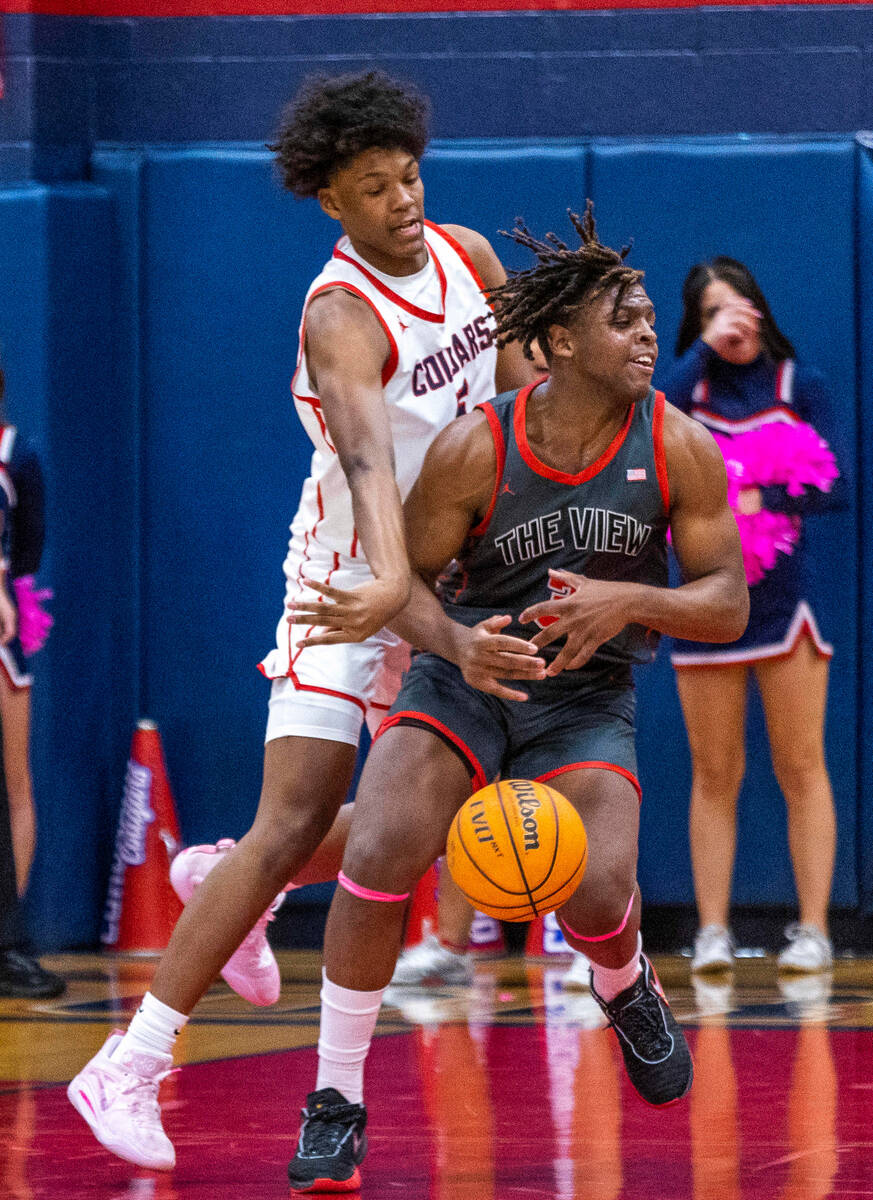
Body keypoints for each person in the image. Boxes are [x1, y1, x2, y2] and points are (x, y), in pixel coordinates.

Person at [67, 68, 536, 1170]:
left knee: (405, 831)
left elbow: (521, 415)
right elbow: (372, 473)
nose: (403, 201)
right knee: (295, 818)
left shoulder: (470, 255)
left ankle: (218, 875)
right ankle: (128, 1062)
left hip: (443, 569)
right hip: (345, 578)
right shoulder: (340, 317)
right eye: (375, 188)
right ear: (332, 200)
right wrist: (426, 618)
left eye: (410, 175)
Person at [282, 206, 749, 1193]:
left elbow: (726, 602)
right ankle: (334, 1097)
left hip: (587, 697)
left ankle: (624, 983)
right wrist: (456, 643)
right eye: (624, 322)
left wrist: (630, 597)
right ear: (559, 343)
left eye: (649, 319)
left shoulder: (680, 447)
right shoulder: (476, 447)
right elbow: (395, 579)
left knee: (597, 881)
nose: (648, 336)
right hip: (468, 680)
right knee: (377, 851)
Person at [664, 257, 846, 976]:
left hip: (784, 604)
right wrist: (701, 350)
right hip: (705, 603)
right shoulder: (690, 388)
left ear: (763, 309)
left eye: (740, 305)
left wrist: (760, 506)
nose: (733, 320)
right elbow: (651, 420)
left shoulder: (801, 384)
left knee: (800, 766)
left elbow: (834, 485)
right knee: (714, 773)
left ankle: (811, 930)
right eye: (714, 311)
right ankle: (710, 933)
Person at [0, 360, 64, 1000]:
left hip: (3, 634)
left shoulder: (17, 454)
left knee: (13, 781)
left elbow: (28, 551)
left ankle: (7, 933)